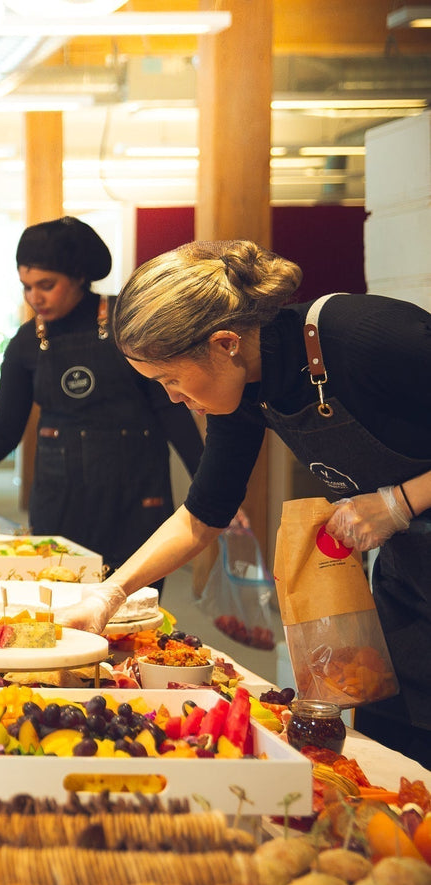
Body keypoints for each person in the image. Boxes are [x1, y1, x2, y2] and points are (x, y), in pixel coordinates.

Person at [61, 239, 431, 763]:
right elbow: (202, 514)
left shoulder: (365, 334)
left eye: (170, 379)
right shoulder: (246, 388)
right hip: (409, 583)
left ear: (225, 343)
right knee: (397, 755)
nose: (171, 398)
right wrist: (109, 594)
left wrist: (400, 502)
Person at [0, 217, 204, 584]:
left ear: (78, 276)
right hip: (61, 504)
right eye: (26, 287)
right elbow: (5, 431)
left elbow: (171, 411)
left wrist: (207, 482)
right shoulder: (26, 342)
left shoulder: (130, 322)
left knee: (137, 618)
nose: (34, 298)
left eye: (46, 285)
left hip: (134, 499)